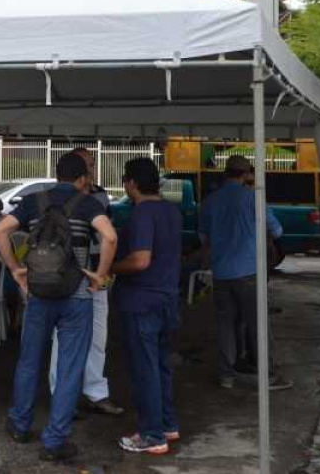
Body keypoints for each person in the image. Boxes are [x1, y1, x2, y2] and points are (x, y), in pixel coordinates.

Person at [0, 152, 118, 463]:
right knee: (69, 367)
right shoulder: (88, 202)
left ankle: (20, 424)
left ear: (56, 174)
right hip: (76, 295)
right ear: (83, 178)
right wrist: (100, 276)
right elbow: (110, 237)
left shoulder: (35, 201)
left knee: (29, 361)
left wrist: (15, 269)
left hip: (38, 293)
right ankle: (54, 440)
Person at [198, 155, 292, 390]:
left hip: (221, 272)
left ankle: (226, 375)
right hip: (249, 271)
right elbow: (278, 231)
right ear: (246, 174)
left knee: (226, 324)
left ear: (226, 172)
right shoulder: (254, 198)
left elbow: (202, 237)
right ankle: (268, 375)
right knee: (258, 324)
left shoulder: (210, 201)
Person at [112, 157, 182, 455]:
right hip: (167, 299)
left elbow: (140, 260)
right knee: (161, 366)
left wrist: (110, 268)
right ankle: (167, 424)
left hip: (142, 302)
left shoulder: (141, 214)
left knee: (145, 370)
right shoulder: (172, 211)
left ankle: (152, 435)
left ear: (131, 183)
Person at [49, 147, 124, 418]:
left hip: (95, 272)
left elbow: (106, 237)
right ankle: (62, 395)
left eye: (93, 164)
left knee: (97, 336)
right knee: (63, 338)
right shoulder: (56, 196)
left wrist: (103, 273)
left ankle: (96, 392)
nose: (92, 170)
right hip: (66, 275)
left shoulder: (100, 195)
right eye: (87, 165)